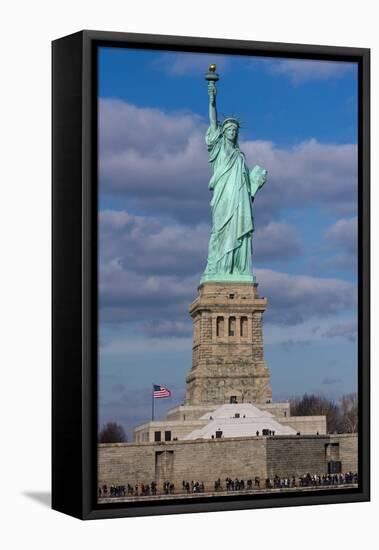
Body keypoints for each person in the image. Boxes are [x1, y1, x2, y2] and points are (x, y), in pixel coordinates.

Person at [201, 79, 267, 283]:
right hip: (223, 196)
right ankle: (220, 266)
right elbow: (213, 122)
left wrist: (257, 181)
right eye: (229, 129)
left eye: (234, 131)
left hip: (239, 199)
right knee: (220, 230)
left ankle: (238, 268)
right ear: (223, 132)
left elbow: (248, 186)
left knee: (238, 230)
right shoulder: (219, 148)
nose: (232, 132)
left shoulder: (240, 156)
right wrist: (212, 99)